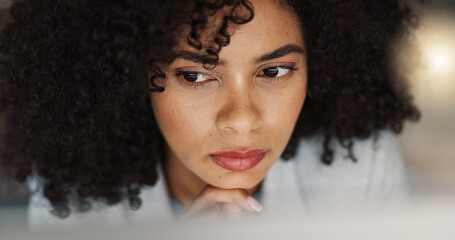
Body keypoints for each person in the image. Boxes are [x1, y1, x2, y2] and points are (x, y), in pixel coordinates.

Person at [0, 0, 420, 228]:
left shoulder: (359, 168)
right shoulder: (77, 199)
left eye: (274, 71)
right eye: (196, 76)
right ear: (131, 73)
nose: (240, 119)